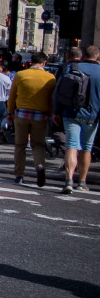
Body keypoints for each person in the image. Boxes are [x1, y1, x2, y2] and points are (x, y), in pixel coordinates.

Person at [53, 45, 100, 193]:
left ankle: (68, 180)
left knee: (72, 145)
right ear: (97, 57)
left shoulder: (72, 67)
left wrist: (56, 112)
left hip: (71, 113)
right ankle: (82, 182)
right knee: (87, 148)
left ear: (83, 55)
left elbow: (58, 91)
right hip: (93, 116)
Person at [7, 51, 55, 186]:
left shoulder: (20, 75)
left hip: (21, 114)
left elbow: (12, 96)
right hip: (41, 115)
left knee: (20, 145)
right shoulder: (50, 78)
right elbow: (52, 100)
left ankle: (19, 175)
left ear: (31, 62)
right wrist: (51, 114)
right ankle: (39, 166)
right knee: (38, 145)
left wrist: (10, 112)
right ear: (44, 62)